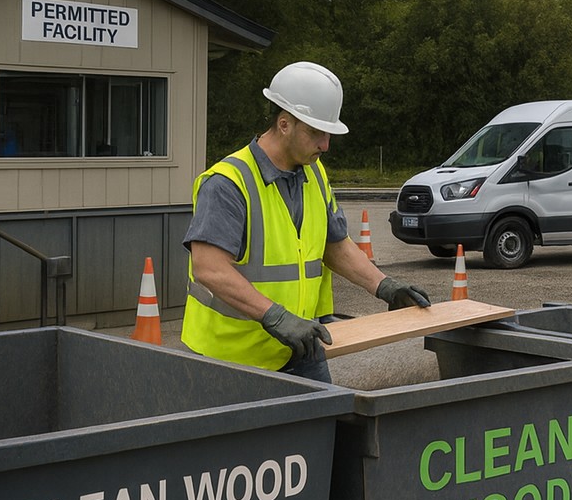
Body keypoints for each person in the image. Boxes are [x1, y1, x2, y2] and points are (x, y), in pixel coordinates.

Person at [181, 61, 430, 381]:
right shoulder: (228, 183)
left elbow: (335, 245)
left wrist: (383, 285)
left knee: (321, 430)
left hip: (300, 347)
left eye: (327, 133)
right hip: (229, 360)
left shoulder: (314, 173)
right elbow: (208, 267)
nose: (325, 145)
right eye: (316, 132)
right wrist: (275, 316)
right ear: (284, 124)